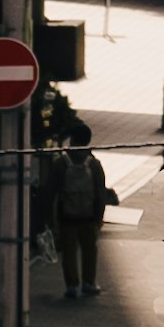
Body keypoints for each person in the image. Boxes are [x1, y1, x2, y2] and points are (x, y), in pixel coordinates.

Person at [39, 109, 113, 302]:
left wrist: (48, 217)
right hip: (89, 216)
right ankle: (89, 283)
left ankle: (72, 285)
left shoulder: (60, 163)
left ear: (71, 139)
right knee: (90, 250)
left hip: (67, 216)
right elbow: (100, 193)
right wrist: (99, 217)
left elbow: (50, 191)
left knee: (69, 252)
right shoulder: (94, 164)